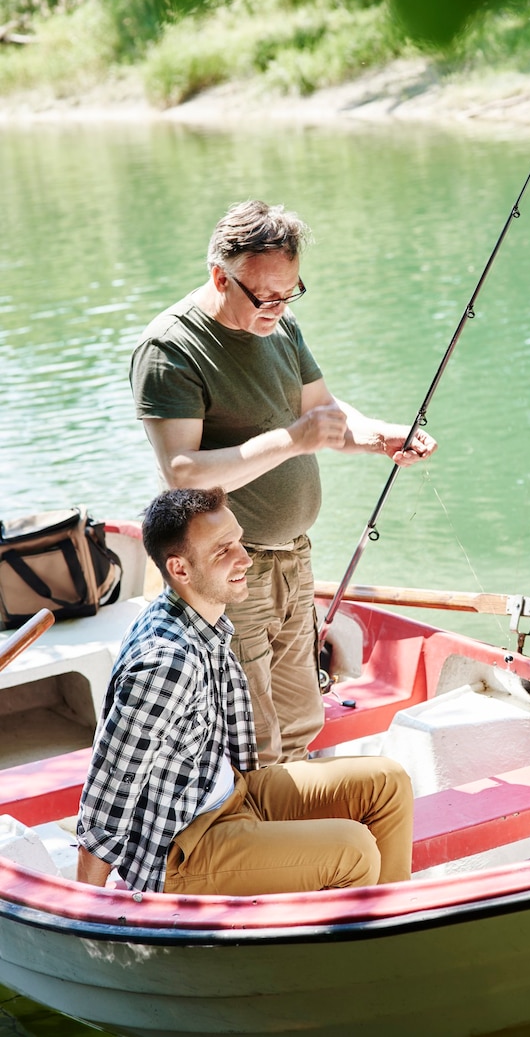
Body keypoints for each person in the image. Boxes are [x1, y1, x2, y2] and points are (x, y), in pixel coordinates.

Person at [130, 199, 437, 765]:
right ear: (221, 277)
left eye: (290, 292)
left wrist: (379, 438)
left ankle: (291, 814)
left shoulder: (280, 325)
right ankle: (255, 821)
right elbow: (182, 471)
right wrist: (294, 439)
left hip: (293, 561)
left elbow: (322, 412)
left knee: (299, 720)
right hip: (226, 567)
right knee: (250, 737)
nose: (278, 307)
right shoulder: (171, 349)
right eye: (265, 296)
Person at [76, 487, 413, 895]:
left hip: (231, 793)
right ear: (180, 569)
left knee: (386, 782)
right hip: (183, 848)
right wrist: (88, 907)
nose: (246, 558)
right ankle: (345, 933)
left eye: (239, 541)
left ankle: (392, 917)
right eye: (223, 551)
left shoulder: (204, 620)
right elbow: (108, 795)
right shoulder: (166, 664)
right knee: (353, 850)